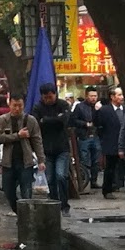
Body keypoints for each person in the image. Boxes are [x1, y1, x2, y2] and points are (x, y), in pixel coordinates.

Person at [0, 95, 41, 213]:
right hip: (8, 162)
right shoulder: (2, 120)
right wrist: (17, 136)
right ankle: (19, 212)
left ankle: (25, 216)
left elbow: (37, 140)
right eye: (14, 105)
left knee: (26, 192)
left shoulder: (30, 120)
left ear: (23, 105)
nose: (17, 108)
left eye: (20, 105)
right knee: (8, 191)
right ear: (9, 105)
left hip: (26, 161)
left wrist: (41, 160)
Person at [31, 83, 73, 214]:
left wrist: (46, 120)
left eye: (50, 97)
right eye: (45, 97)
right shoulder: (38, 107)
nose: (48, 100)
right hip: (46, 148)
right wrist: (54, 119)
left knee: (61, 175)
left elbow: (64, 121)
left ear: (55, 94)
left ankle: (64, 204)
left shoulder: (63, 105)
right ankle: (54, 203)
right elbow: (36, 123)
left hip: (62, 148)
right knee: (50, 179)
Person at [98, 87, 125, 200]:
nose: (122, 97)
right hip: (111, 143)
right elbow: (99, 127)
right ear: (112, 97)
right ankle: (107, 190)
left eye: (122, 95)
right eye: (119, 95)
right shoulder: (104, 110)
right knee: (110, 169)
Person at [70, 87, 103, 190]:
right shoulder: (80, 107)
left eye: (95, 96)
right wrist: (85, 124)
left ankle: (94, 181)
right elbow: (73, 120)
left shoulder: (99, 107)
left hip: (96, 135)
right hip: (84, 136)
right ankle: (84, 181)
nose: (93, 98)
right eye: (91, 96)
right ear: (86, 96)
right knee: (84, 159)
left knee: (96, 160)